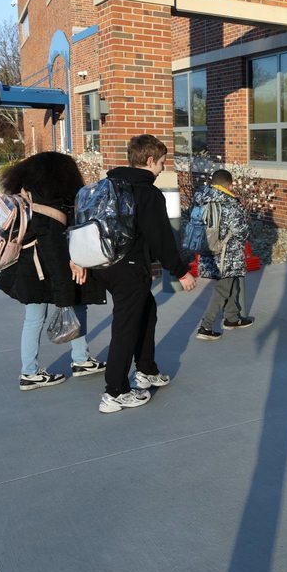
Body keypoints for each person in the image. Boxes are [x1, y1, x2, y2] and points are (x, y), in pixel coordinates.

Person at [96, 134, 196, 413]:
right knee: (126, 328)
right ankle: (115, 392)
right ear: (150, 160)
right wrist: (181, 272)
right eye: (162, 163)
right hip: (128, 269)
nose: (163, 168)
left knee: (147, 312)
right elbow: (161, 238)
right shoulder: (147, 193)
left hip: (104, 265)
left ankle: (147, 369)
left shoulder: (108, 185)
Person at [0, 152, 108, 390]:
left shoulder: (24, 194)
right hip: (44, 269)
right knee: (72, 305)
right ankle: (43, 369)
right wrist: (65, 289)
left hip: (26, 267)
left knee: (34, 318)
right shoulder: (50, 206)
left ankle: (44, 367)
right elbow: (54, 250)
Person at [193, 169, 254, 341]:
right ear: (230, 184)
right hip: (227, 253)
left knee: (232, 282)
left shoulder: (200, 198)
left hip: (208, 250)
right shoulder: (230, 203)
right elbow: (240, 231)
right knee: (222, 288)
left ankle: (232, 318)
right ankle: (205, 326)